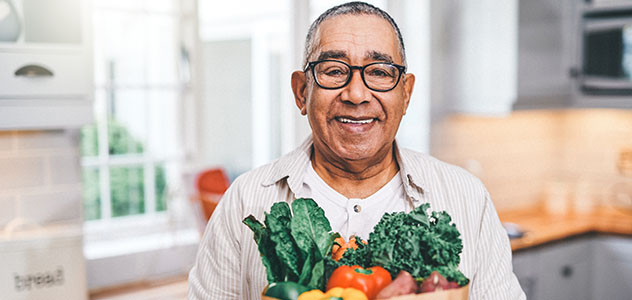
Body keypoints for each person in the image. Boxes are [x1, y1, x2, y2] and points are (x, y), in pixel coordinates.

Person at [188, 2, 525, 299]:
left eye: (379, 72)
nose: (356, 94)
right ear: (301, 90)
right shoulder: (245, 202)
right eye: (334, 71)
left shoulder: (467, 197)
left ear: (405, 94)